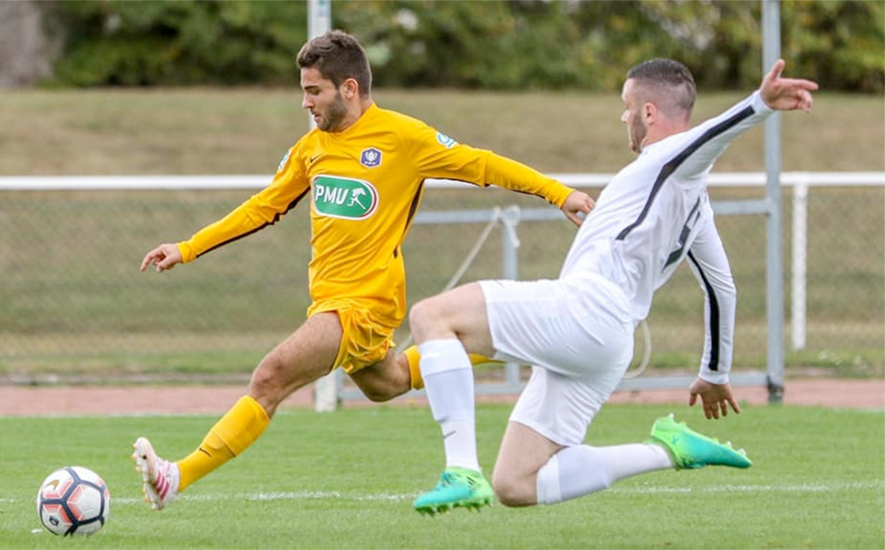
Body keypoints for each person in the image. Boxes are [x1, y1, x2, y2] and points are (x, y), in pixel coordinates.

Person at [131, 30, 594, 511]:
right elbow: (262, 208)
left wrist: (558, 192)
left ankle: (176, 477)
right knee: (387, 382)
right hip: (329, 300)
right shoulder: (312, 147)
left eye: (314, 91)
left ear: (348, 88)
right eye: (304, 91)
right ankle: (529, 341)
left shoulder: (404, 138)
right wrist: (188, 247)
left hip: (364, 304)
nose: (305, 103)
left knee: (270, 377)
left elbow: (483, 164)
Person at [408, 58, 818, 514]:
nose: (623, 116)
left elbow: (709, 138)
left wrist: (759, 104)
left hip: (583, 312)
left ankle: (461, 469)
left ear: (648, 112)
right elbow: (723, 288)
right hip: (609, 343)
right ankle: (668, 450)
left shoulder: (668, 157)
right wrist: (715, 373)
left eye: (626, 106)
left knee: (432, 316)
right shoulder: (695, 204)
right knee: (516, 483)